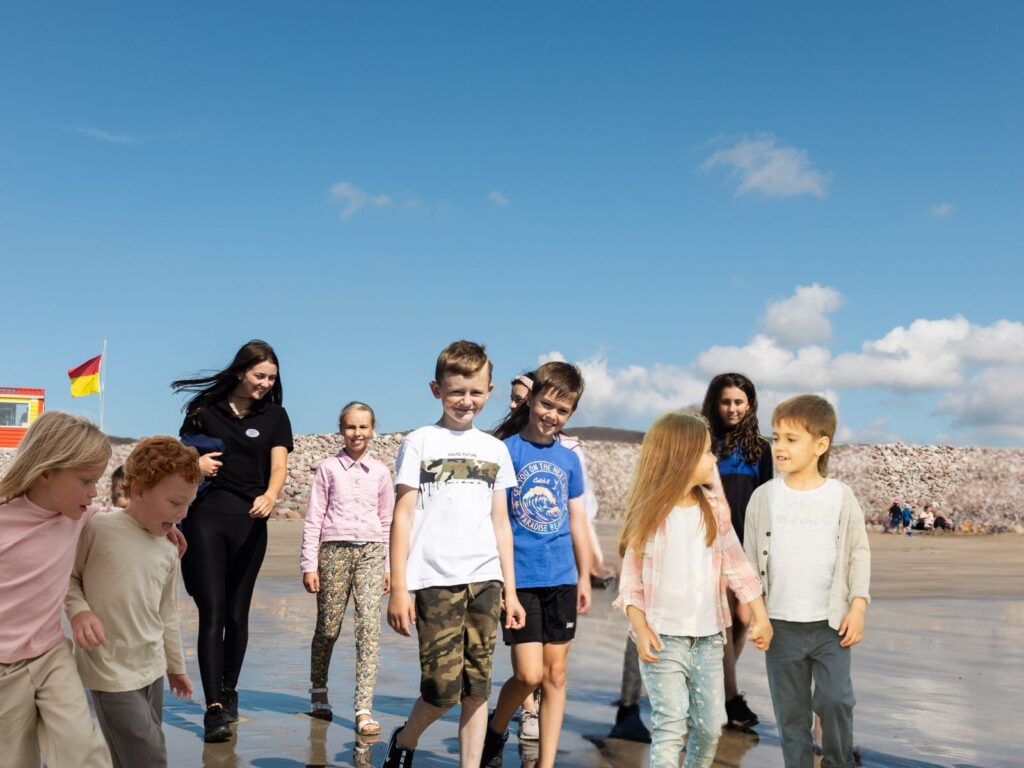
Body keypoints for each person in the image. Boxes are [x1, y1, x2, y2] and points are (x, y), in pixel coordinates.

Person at [383, 340, 525, 768]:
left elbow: (501, 523)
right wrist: (399, 588)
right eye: (456, 391)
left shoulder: (495, 449)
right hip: (434, 580)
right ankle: (405, 739)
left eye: (476, 392)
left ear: (490, 391)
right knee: (442, 690)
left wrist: (511, 591)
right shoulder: (420, 441)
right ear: (436, 390)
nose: (466, 401)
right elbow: (402, 517)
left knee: (477, 688)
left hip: (486, 580)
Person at [615, 412, 772, 768]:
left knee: (710, 727)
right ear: (681, 456)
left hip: (708, 640)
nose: (714, 459)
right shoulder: (649, 513)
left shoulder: (713, 509)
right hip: (662, 639)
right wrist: (640, 628)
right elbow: (631, 583)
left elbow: (737, 564)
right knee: (670, 727)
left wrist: (760, 615)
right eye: (706, 452)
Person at [171, 339, 294, 743]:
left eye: (271, 378)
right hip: (206, 518)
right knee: (213, 612)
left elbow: (279, 466)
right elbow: (180, 457)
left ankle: (229, 690)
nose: (265, 383)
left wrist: (271, 495)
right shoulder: (204, 411)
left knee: (238, 616)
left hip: (250, 521)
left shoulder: (275, 416)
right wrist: (196, 463)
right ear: (241, 371)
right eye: (260, 375)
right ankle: (213, 709)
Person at [744, 395, 871, 768]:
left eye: (791, 439)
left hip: (831, 625)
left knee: (836, 701)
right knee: (791, 715)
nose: (779, 447)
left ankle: (838, 762)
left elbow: (858, 553)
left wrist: (858, 607)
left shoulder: (841, 497)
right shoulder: (763, 498)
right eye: (775, 438)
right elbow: (749, 565)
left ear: (820, 444)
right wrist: (758, 617)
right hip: (780, 625)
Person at [483, 362, 593, 768]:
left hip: (562, 576)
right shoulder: (505, 451)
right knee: (528, 675)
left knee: (556, 675)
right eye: (546, 404)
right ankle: (496, 729)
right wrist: (506, 588)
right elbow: (495, 521)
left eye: (562, 411)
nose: (552, 415)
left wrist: (584, 576)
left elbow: (577, 520)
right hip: (521, 579)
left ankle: (546, 763)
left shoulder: (568, 459)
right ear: (531, 399)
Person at [66, 436, 200, 768]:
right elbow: (68, 578)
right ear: (138, 491)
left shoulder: (169, 547)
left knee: (136, 753)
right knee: (149, 756)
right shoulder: (97, 528)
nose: (183, 514)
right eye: (175, 502)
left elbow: (167, 613)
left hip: (152, 667)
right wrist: (79, 612)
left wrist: (175, 667)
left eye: (189, 504)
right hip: (109, 669)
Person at [0, 411, 115, 768]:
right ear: (46, 472)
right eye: (86, 481)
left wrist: (162, 527)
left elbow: (123, 520)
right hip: (3, 670)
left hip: (51, 656)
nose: (93, 492)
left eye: (97, 481)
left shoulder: (78, 517)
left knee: (83, 749)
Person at [301, 401, 394, 734]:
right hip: (333, 552)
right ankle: (318, 689)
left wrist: (389, 565)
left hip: (371, 552)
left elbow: (387, 521)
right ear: (342, 429)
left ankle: (363, 708)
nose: (357, 433)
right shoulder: (328, 468)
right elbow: (314, 517)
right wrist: (309, 564)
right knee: (328, 627)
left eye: (363, 427)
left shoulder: (381, 472)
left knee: (369, 627)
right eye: (351, 426)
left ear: (373, 430)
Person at [702, 372, 772, 731]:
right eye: (726, 401)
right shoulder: (705, 443)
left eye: (739, 402)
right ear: (715, 404)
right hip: (712, 541)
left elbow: (767, 499)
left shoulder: (761, 449)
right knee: (724, 621)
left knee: (744, 619)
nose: (732, 408)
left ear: (750, 405)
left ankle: (715, 685)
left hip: (747, 543)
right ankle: (730, 698)